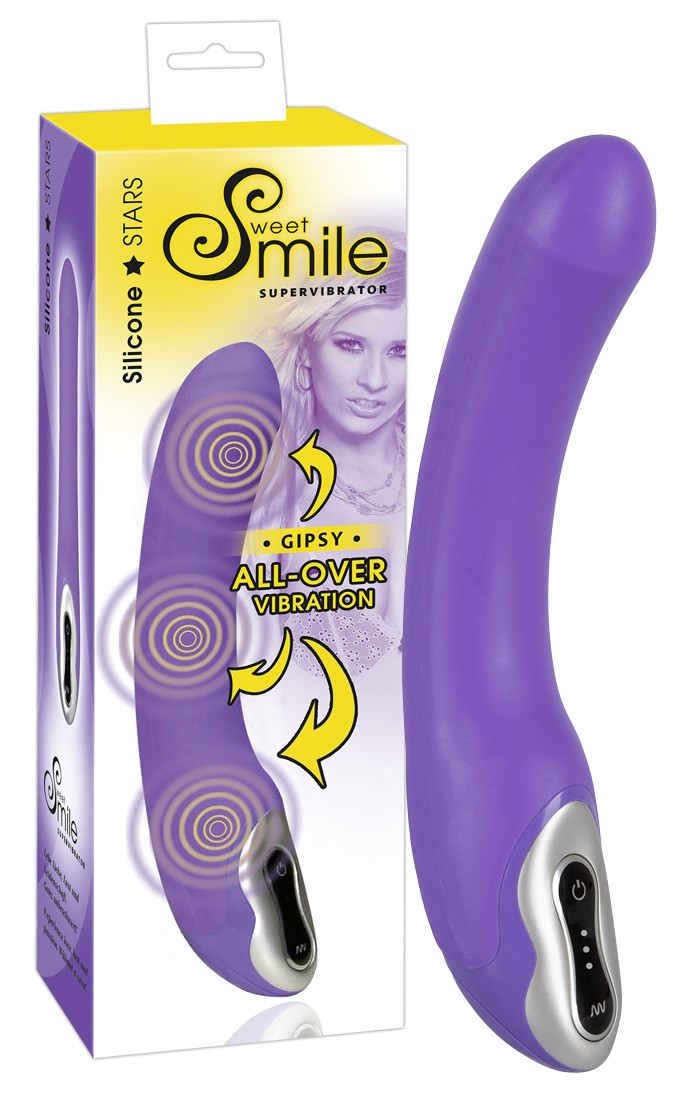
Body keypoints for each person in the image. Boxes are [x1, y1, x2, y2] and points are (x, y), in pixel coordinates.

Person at [245, 230, 406, 679]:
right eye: (350, 345)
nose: (374, 380)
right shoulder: (269, 506)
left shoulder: (448, 474)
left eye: (399, 351)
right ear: (306, 351)